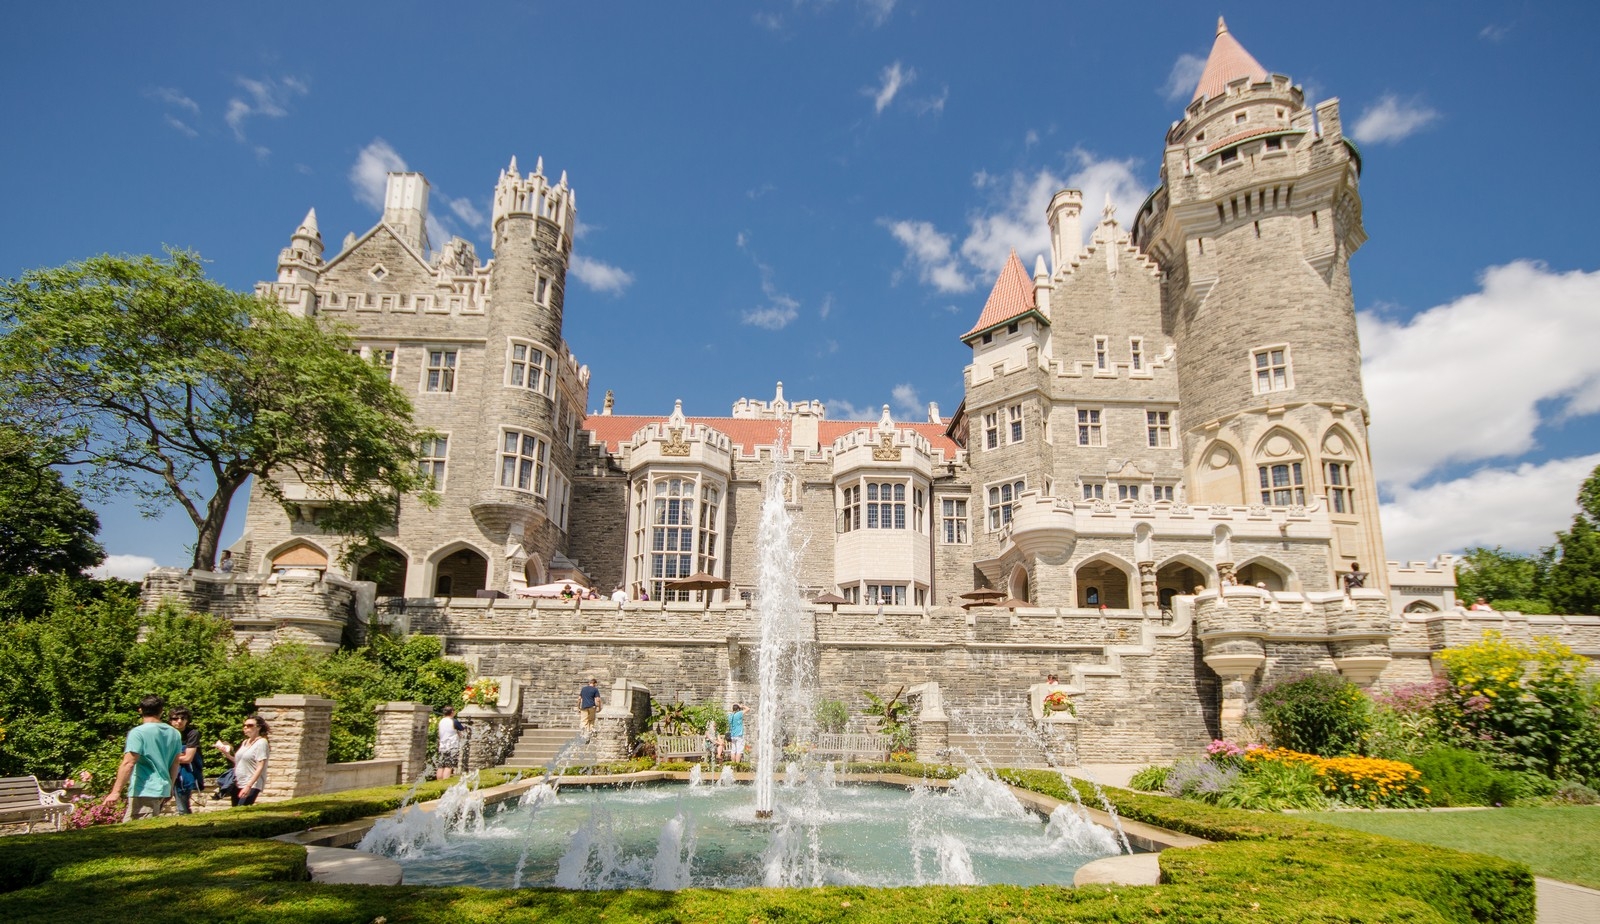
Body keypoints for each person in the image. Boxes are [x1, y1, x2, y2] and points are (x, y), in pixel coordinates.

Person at [103, 694, 183, 821]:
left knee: (134, 835)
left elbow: (128, 763)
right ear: (161, 711)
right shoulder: (174, 733)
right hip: (162, 789)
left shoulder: (138, 733)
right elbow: (175, 763)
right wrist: (170, 787)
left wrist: (115, 792)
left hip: (145, 790)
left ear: (140, 710)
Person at [215, 714, 270, 806]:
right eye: (244, 725)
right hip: (238, 783)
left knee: (242, 808)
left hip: (251, 784)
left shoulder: (261, 743)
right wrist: (226, 754)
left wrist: (248, 786)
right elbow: (239, 762)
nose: (246, 727)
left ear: (258, 727)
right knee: (235, 811)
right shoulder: (245, 742)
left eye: (250, 725)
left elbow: (260, 767)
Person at [168, 705, 205, 815]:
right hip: (166, 774)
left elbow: (188, 758)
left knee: (182, 808)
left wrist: (168, 757)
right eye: (175, 718)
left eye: (183, 718)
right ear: (170, 720)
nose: (179, 721)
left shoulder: (192, 734)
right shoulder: (166, 733)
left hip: (183, 776)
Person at [437, 706, 464, 779]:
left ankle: (438, 782)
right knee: (449, 766)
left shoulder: (441, 721)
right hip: (452, 746)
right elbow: (462, 729)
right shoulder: (454, 721)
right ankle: (445, 783)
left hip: (442, 746)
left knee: (441, 766)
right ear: (452, 712)